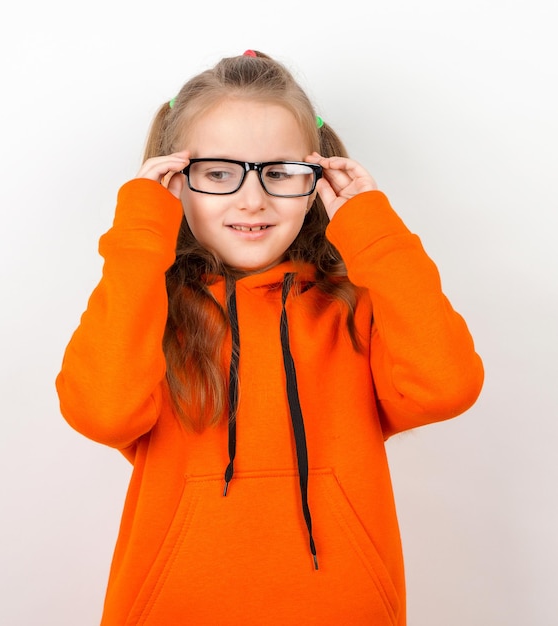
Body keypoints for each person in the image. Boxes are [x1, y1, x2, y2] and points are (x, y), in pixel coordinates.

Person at [55, 50, 484, 626]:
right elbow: (103, 413)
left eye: (280, 171)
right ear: (176, 182)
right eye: (218, 172)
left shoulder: (350, 309)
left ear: (318, 180)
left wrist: (371, 228)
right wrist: (139, 234)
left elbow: (447, 386)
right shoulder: (149, 312)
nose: (252, 200)